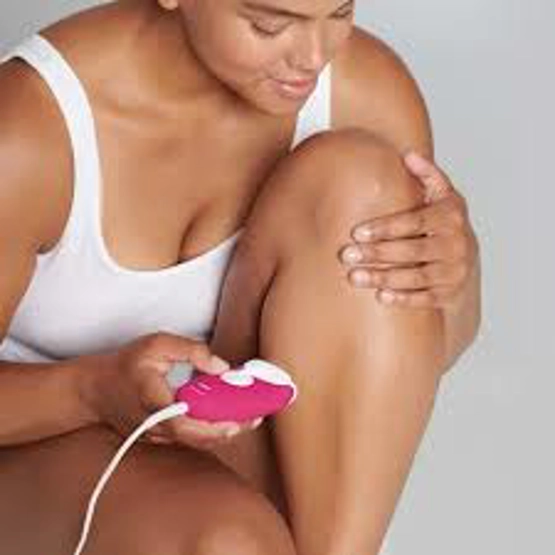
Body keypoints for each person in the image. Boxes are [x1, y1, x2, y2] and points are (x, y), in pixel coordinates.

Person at [0, 0, 481, 554]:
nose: (313, 56)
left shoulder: (366, 95)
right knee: (229, 545)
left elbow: (411, 358)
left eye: (340, 13)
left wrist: (452, 276)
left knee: (363, 183)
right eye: (269, 25)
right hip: (33, 458)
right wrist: (93, 389)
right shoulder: (28, 128)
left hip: (227, 453)